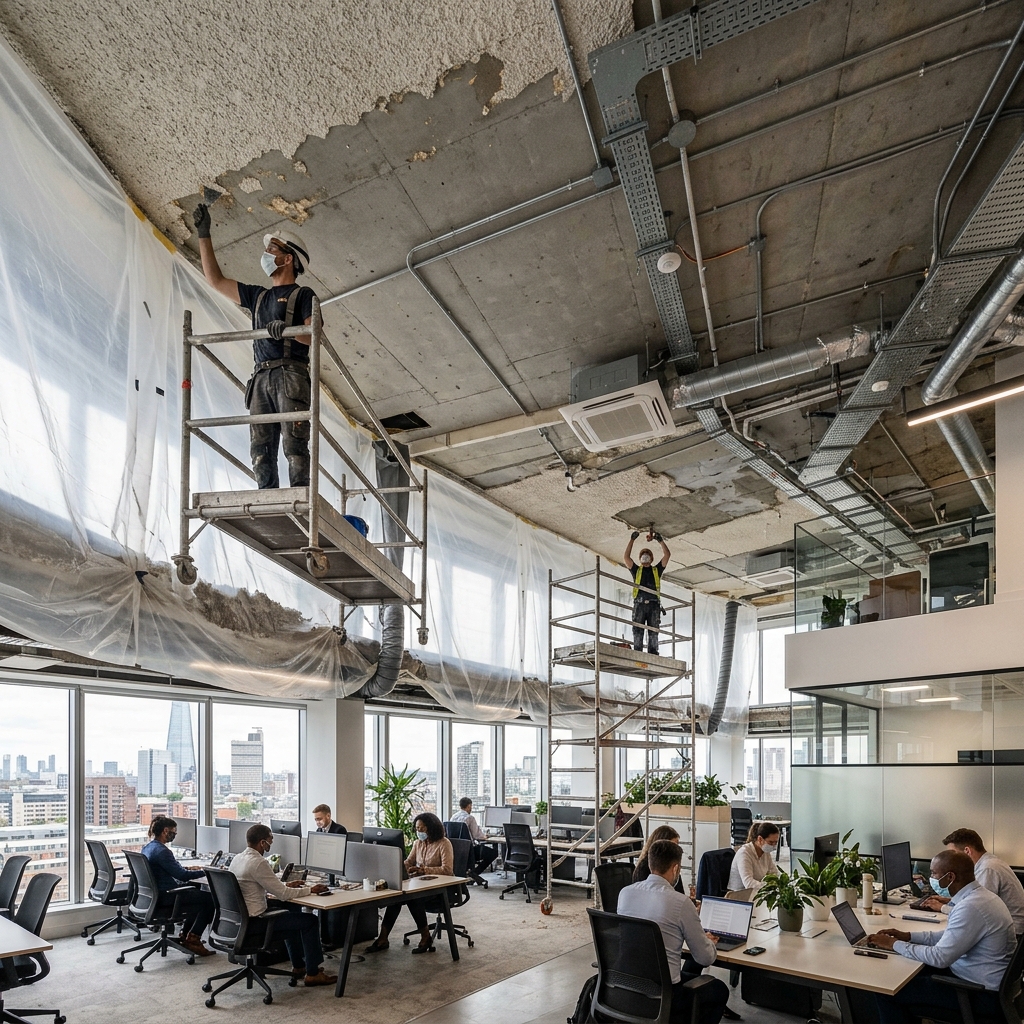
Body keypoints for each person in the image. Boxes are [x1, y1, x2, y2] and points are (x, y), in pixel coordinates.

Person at [192, 202, 315, 490]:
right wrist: (203, 235)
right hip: (260, 376)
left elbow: (312, 335)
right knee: (261, 449)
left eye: (273, 249)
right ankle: (267, 498)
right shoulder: (257, 296)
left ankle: (299, 498)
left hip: (291, 375)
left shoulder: (303, 294)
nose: (267, 254)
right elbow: (216, 280)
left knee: (294, 444)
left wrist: (287, 332)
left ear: (288, 259)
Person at [870, 850, 1016, 1024]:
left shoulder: (971, 907)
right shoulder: (982, 897)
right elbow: (948, 936)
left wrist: (894, 944)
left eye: (933, 873)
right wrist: (908, 936)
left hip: (977, 994)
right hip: (984, 984)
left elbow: (940, 958)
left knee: (887, 990)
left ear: (950, 877)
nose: (930, 878)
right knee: (903, 976)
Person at [618, 840, 731, 1024]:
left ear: (649, 864)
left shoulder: (625, 893)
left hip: (625, 986)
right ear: (676, 868)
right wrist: (707, 941)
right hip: (664, 994)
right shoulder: (680, 903)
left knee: (692, 975)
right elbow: (705, 958)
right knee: (719, 990)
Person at [229, 823, 337, 987]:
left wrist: (284, 885)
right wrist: (311, 889)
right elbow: (284, 895)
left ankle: (299, 967)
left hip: (241, 920)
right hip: (257, 923)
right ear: (262, 842)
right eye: (270, 840)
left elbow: (257, 887)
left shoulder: (238, 858)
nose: (271, 843)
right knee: (310, 921)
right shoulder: (258, 863)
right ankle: (313, 974)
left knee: (291, 911)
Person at [365, 813, 453, 955]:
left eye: (422, 829)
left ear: (431, 828)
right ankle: (383, 938)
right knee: (396, 900)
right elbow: (408, 862)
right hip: (420, 884)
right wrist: (397, 866)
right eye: (417, 828)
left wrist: (424, 870)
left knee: (413, 898)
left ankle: (426, 937)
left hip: (441, 888)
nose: (419, 832)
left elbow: (448, 870)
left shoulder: (444, 843)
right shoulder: (417, 844)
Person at [916, 828, 1024, 936]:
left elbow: (976, 912)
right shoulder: (987, 862)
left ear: (967, 851)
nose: (949, 858)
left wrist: (942, 907)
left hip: (1012, 933)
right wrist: (947, 900)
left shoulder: (988, 868)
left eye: (953, 853)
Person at [141, 815, 216, 957]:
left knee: (197, 892)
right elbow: (182, 876)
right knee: (210, 899)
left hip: (156, 896)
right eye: (173, 832)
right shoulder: (163, 851)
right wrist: (205, 872)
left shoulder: (149, 847)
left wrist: (191, 870)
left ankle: (186, 934)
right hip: (168, 897)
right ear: (165, 831)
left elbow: (173, 870)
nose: (174, 835)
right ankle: (193, 938)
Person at [624, 530, 671, 654]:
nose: (645, 555)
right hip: (639, 604)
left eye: (647, 554)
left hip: (653, 605)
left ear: (651, 558)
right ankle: (638, 653)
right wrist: (632, 540)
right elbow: (626, 558)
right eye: (643, 554)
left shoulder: (656, 570)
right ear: (640, 558)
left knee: (653, 631)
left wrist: (660, 541)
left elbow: (667, 555)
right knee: (638, 631)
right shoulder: (636, 570)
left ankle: (653, 653)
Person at [449, 797, 497, 876]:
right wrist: (486, 836)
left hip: (455, 850)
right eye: (471, 806)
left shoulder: (453, 817)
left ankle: (471, 874)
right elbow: (477, 835)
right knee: (493, 853)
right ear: (469, 806)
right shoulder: (470, 818)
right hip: (469, 851)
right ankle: (474, 874)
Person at [727, 822, 779, 892]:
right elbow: (748, 883)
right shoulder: (744, 853)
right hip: (739, 895)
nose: (773, 846)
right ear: (760, 839)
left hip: (756, 892)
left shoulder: (765, 852)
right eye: (771, 842)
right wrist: (769, 886)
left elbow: (774, 873)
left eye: (775, 842)